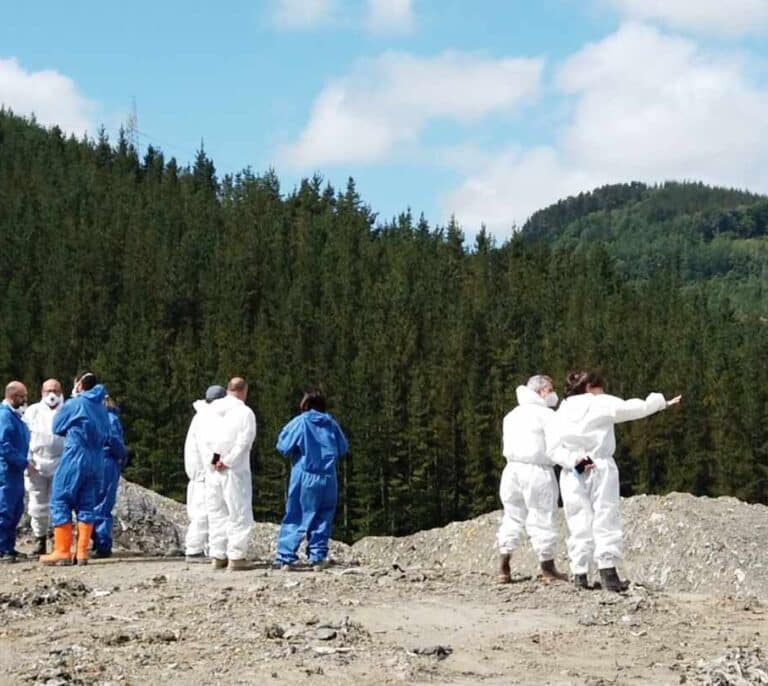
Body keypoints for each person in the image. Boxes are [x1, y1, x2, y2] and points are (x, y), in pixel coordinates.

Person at [549, 371, 681, 591]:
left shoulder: (559, 413)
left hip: (573, 470)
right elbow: (633, 408)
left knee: (578, 520)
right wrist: (661, 402)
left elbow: (552, 449)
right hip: (600, 465)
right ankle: (608, 571)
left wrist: (573, 460)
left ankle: (579, 573)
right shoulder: (600, 403)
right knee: (605, 516)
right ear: (591, 387)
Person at [496, 375, 571, 584]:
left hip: (511, 470)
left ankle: (504, 565)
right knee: (542, 515)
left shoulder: (511, 415)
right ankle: (548, 568)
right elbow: (557, 445)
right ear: (542, 391)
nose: (552, 393)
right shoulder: (546, 415)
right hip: (537, 470)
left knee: (512, 516)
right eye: (550, 389)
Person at [274, 388, 348, 571]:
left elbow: (283, 446)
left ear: (305, 404)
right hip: (328, 476)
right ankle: (317, 557)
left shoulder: (301, 422)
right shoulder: (331, 423)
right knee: (324, 517)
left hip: (305, 473)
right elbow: (343, 448)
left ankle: (286, 558)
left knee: (297, 515)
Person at [40, 373, 110, 566]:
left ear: (79, 386)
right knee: (87, 504)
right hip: (97, 459)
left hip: (76, 454)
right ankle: (82, 553)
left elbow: (57, 426)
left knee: (61, 498)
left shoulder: (75, 404)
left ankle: (62, 551)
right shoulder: (101, 407)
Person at [206, 377, 256, 571]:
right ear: (244, 390)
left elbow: (204, 439)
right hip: (234, 469)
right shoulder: (245, 412)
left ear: (228, 389)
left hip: (212, 469)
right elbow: (244, 443)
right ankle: (236, 556)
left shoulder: (212, 410)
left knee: (217, 512)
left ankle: (218, 554)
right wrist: (226, 461)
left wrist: (214, 459)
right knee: (239, 512)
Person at [182, 384, 226, 562]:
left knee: (202, 513)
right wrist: (216, 462)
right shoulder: (206, 418)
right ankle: (194, 549)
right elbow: (208, 447)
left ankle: (201, 548)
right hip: (202, 474)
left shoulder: (200, 416)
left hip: (199, 473)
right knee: (202, 513)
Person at [22, 379, 65, 555]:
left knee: (59, 504)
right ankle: (40, 541)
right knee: (37, 504)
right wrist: (27, 461)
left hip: (61, 463)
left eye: (55, 390)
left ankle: (58, 541)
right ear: (42, 392)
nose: (52, 394)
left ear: (62, 391)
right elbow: (23, 437)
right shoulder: (32, 411)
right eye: (48, 391)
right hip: (36, 463)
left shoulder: (68, 409)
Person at [91, 395, 128, 558]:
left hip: (93, 459)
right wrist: (123, 457)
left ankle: (93, 540)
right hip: (107, 461)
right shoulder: (111, 419)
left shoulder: (91, 417)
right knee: (104, 502)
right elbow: (114, 441)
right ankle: (103, 544)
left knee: (92, 502)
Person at [0, 382, 30, 562]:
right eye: (22, 396)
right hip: (6, 470)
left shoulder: (15, 417)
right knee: (4, 509)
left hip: (15, 471)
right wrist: (22, 461)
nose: (25, 400)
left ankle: (8, 546)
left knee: (16, 509)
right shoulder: (4, 417)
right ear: (13, 396)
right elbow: (3, 445)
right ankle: (2, 548)